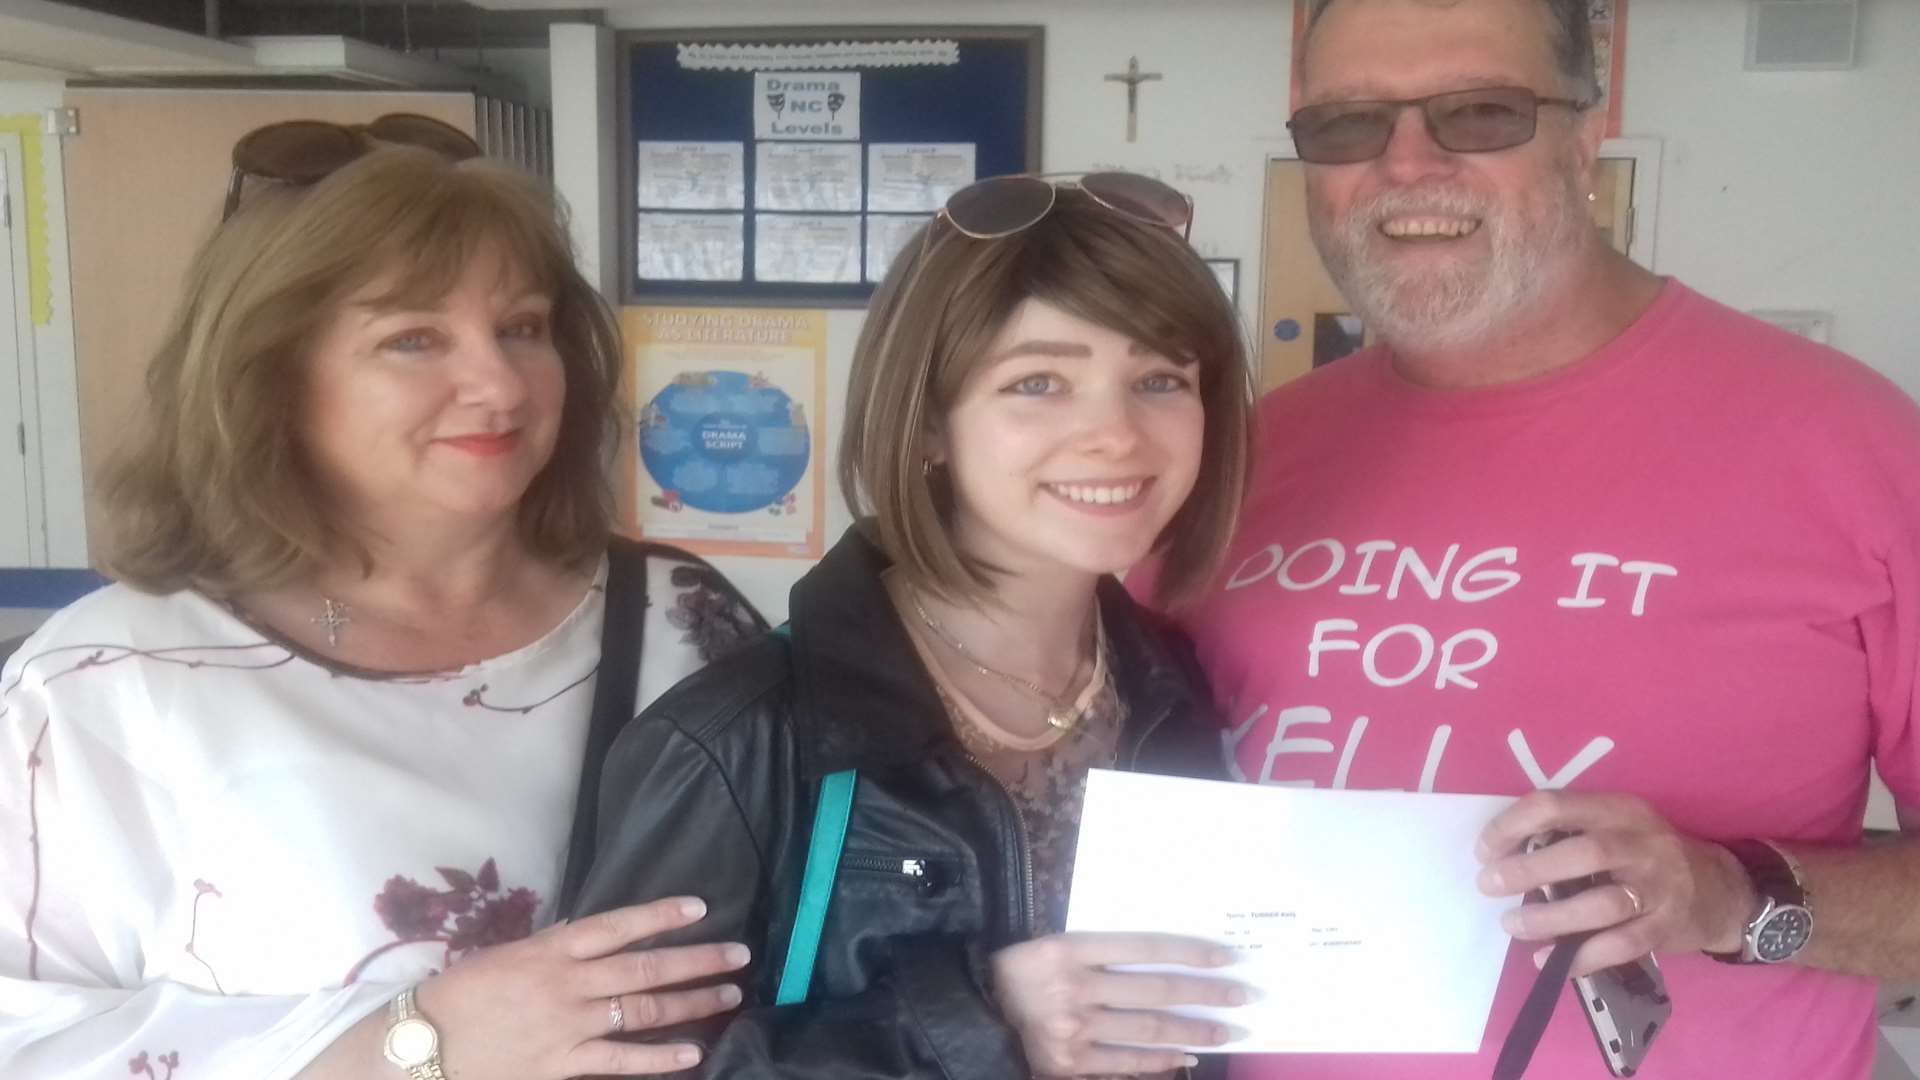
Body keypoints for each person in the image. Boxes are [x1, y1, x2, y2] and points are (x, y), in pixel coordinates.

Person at [1133, 0, 1920, 1077]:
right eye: (1348, 125)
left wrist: (1734, 897)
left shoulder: (1854, 447)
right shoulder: (1240, 456)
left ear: (1585, 139)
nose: (1407, 165)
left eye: (1481, 112)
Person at [0, 117, 767, 1079]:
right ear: (271, 377)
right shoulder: (107, 683)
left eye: (521, 328)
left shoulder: (685, 616)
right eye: (413, 339)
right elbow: (22, 1040)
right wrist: (412, 1045)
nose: (497, 383)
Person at [569, 172, 1256, 1077]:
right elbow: (605, 1065)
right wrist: (979, 1022)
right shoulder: (733, 744)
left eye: (1161, 379)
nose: (1117, 435)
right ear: (929, 424)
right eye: (1039, 381)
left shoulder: (1183, 695)